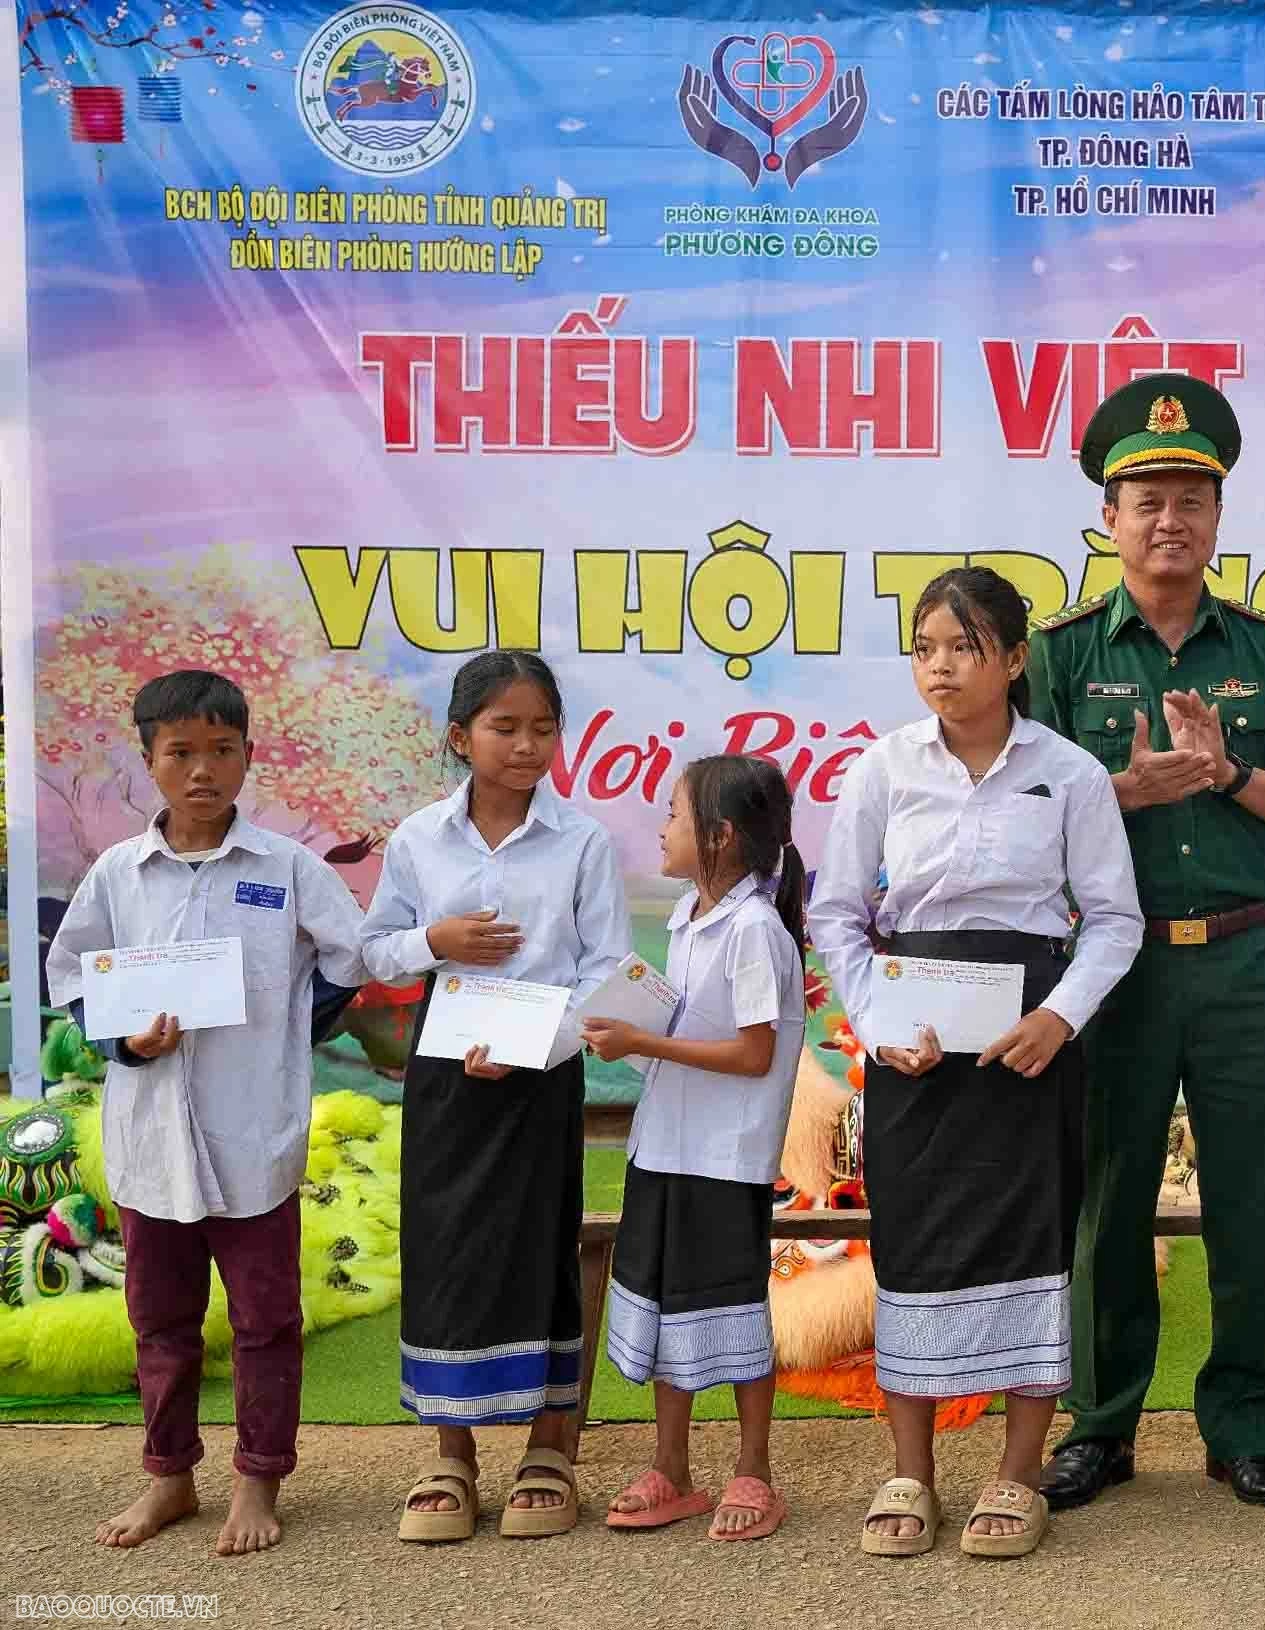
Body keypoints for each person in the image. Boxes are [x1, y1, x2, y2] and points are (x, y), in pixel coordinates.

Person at [1030, 373, 1265, 1514]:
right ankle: (1101, 1425)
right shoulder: (1058, 653)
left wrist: (1228, 774)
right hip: (1113, 963)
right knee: (1107, 1200)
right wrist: (1128, 787)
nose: (1170, 519)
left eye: (1192, 498)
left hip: (1253, 959)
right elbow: (1022, 807)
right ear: (1107, 518)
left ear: (1219, 518)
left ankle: (1250, 1426)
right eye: (1146, 497)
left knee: (1253, 1198)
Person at [810, 566, 1142, 1558]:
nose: (941, 666)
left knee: (1033, 1238)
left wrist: (1061, 1018)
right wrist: (874, 1022)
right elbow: (837, 915)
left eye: (962, 646)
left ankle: (1015, 1473)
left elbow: (1115, 922)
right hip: (914, 1047)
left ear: (1011, 657)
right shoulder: (883, 768)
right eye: (924, 648)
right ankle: (911, 1470)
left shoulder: (1068, 773)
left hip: (1028, 1044)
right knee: (914, 1241)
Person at [47, 670, 367, 1556]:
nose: (202, 770)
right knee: (160, 1319)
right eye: (180, 752)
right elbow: (73, 973)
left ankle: (258, 1481)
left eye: (221, 751)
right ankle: (169, 1479)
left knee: (266, 1321)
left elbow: (348, 956)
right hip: (151, 1142)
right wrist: (123, 1044)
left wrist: (285, 1032)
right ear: (148, 760)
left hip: (252, 1137)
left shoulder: (286, 868)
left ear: (248, 757)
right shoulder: (119, 872)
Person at [363, 651, 629, 1542]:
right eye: (504, 728)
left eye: (542, 728)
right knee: (446, 1247)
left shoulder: (582, 841)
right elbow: (374, 950)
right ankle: (452, 1456)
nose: (525, 746)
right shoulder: (417, 839)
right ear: (459, 735)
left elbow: (604, 977)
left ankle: (550, 1447)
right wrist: (432, 940)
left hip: (541, 1070)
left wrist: (532, 1050)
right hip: (445, 1069)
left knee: (540, 1239)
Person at [585, 755, 809, 1542]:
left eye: (674, 816)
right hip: (664, 1147)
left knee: (731, 1306)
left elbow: (752, 1055)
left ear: (718, 837)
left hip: (724, 1158)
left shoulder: (753, 931)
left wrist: (642, 1036)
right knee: (664, 1305)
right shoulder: (686, 919)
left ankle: (754, 1470)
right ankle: (671, 1468)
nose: (661, 829)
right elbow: (684, 1039)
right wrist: (633, 1038)